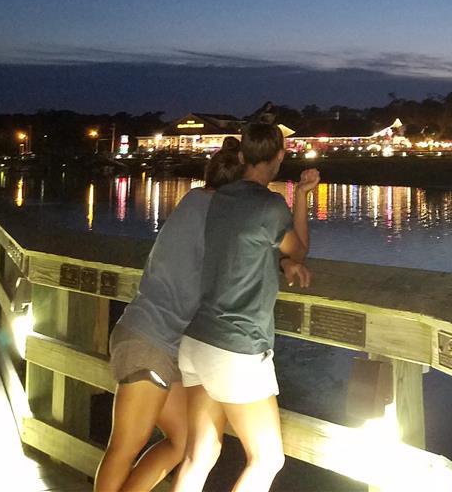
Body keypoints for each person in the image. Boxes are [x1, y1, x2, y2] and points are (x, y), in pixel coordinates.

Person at [96, 139, 311, 492]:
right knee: (125, 447)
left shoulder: (194, 200)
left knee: (184, 443)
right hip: (152, 339)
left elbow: (237, 253)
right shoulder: (219, 214)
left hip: (169, 342)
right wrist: (286, 258)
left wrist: (280, 259)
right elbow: (244, 251)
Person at [172, 122, 318, 492]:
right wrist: (302, 195)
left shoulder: (221, 198)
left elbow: (247, 245)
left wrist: (281, 261)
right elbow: (299, 248)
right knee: (267, 460)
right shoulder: (270, 205)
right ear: (280, 156)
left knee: (198, 455)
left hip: (197, 340)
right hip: (237, 347)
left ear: (241, 155)